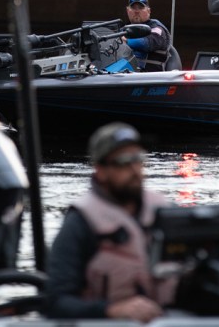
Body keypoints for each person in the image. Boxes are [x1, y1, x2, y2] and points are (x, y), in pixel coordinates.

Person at [45, 122, 175, 322]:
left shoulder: (164, 210)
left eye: (138, 159)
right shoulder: (80, 222)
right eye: (123, 162)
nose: (134, 169)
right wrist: (110, 311)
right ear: (101, 170)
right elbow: (56, 303)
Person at [121, 0, 172, 71]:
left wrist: (126, 41)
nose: (137, 11)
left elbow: (148, 42)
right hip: (122, 74)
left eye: (141, 8)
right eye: (133, 8)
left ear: (149, 11)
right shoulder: (122, 30)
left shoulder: (157, 28)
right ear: (128, 10)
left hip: (150, 76)